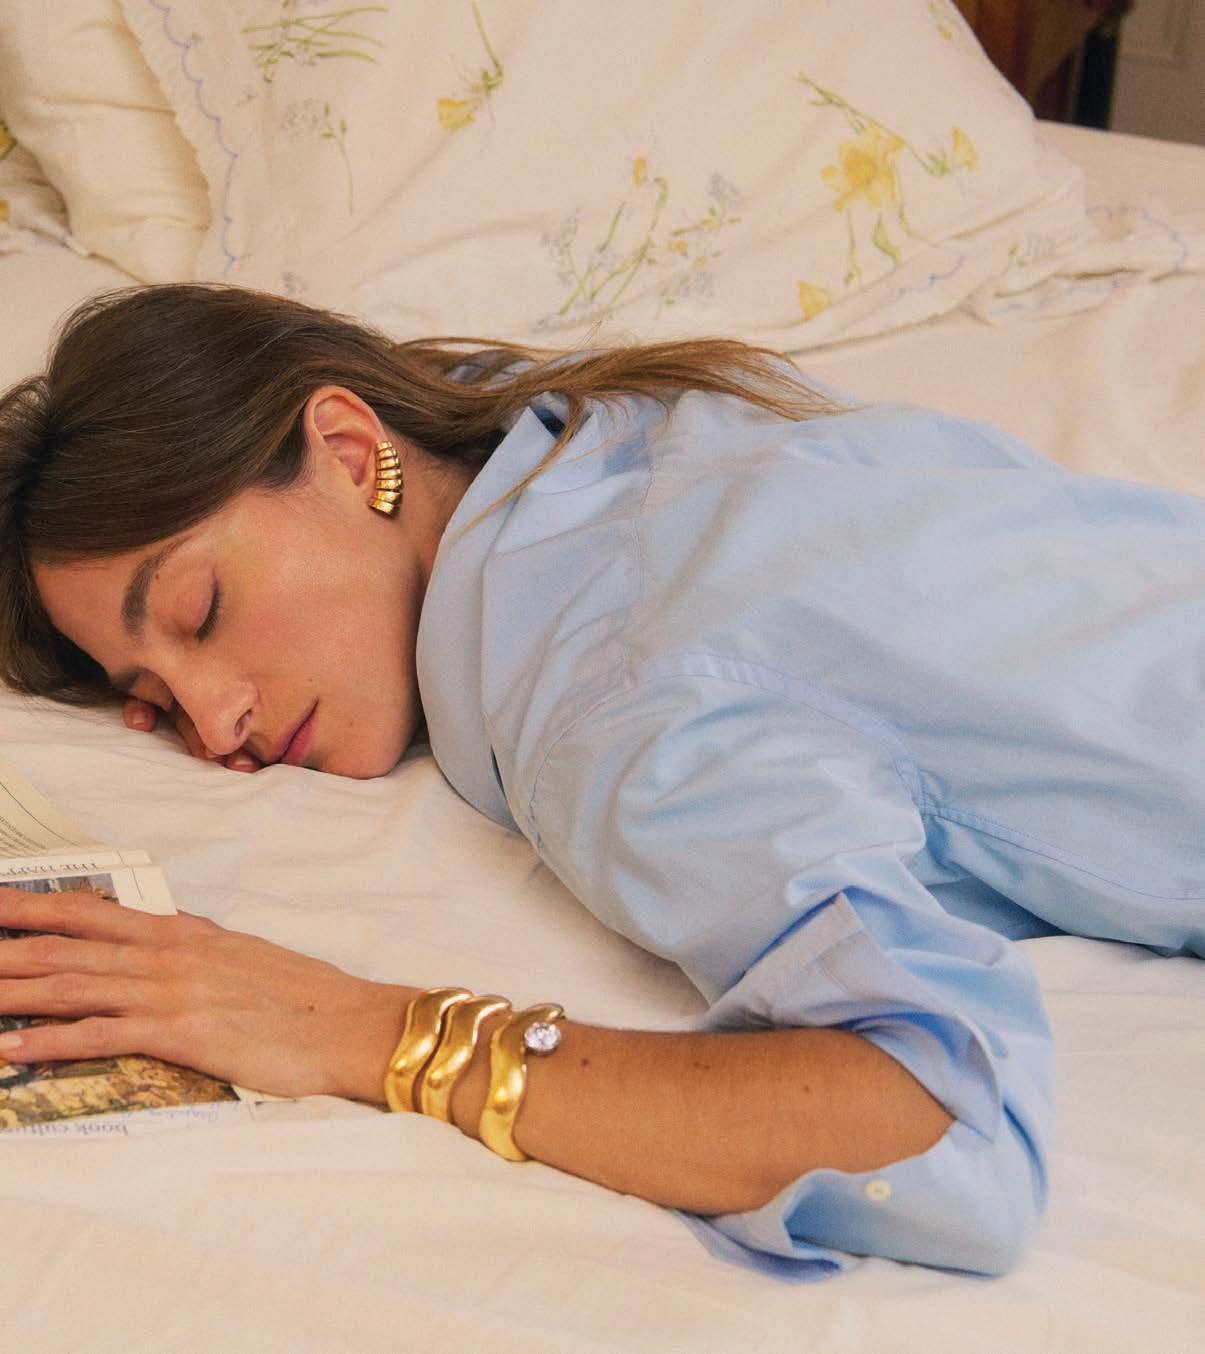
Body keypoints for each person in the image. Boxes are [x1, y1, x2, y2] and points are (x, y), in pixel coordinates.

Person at [0, 284, 1201, 1282]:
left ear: (352, 451)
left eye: (202, 610)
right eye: (147, 691)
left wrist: (355, 1028)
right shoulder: (589, 424)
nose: (214, 723)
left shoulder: (610, 697)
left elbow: (936, 1130)